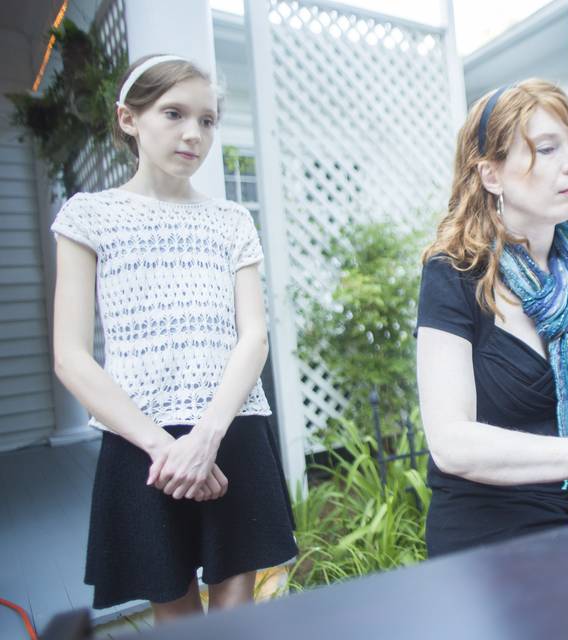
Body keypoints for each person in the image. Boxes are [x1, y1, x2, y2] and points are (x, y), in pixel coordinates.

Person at [51, 54, 297, 621]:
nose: (194, 133)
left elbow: (253, 336)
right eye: (174, 113)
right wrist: (167, 449)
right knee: (174, 607)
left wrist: (206, 438)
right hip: (142, 441)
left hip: (229, 428)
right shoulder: (89, 217)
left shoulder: (231, 221)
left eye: (208, 120)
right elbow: (70, 356)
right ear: (129, 119)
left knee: (239, 603)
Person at [416, 79, 568, 556]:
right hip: (491, 539)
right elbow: (451, 442)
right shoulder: (453, 276)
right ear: (492, 175)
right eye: (547, 149)